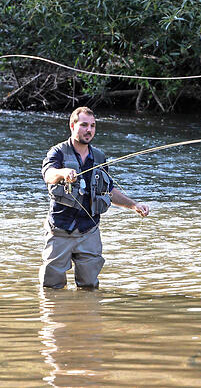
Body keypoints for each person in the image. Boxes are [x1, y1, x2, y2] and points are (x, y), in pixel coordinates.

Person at [40, 106, 150, 289]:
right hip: (60, 229)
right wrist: (63, 173)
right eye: (84, 125)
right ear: (72, 125)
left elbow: (108, 190)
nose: (89, 130)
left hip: (89, 230)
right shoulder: (58, 152)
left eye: (92, 126)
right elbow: (48, 174)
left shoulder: (99, 157)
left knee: (90, 287)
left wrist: (134, 205)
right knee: (51, 288)